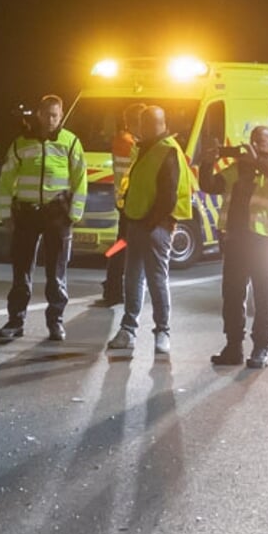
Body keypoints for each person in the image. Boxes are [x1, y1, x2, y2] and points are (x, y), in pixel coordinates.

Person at [200, 125, 268, 369]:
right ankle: (233, 347)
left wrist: (258, 162)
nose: (255, 144)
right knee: (232, 295)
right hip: (237, 241)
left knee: (265, 296)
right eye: (253, 140)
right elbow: (210, 186)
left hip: (266, 242)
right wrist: (208, 162)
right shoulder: (237, 170)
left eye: (261, 141)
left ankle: (261, 348)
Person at [0, 94, 88, 342]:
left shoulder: (70, 142)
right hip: (26, 213)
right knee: (21, 270)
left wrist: (74, 213)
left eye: (55, 115)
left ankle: (55, 322)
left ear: (61, 116)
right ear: (39, 114)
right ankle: (15, 321)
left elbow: (80, 180)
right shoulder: (21, 142)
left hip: (57, 214)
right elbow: (5, 181)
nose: (50, 120)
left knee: (56, 272)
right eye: (46, 115)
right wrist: (5, 214)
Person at [106, 105, 193, 356]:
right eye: (140, 123)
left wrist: (151, 222)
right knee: (133, 277)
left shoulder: (166, 150)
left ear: (159, 123)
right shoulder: (145, 147)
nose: (141, 128)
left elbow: (169, 194)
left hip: (156, 225)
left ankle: (161, 331)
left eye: (146, 123)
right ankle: (129, 329)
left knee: (155, 279)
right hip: (137, 221)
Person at [97, 103, 145, 306]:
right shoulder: (128, 142)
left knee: (122, 244)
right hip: (129, 202)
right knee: (124, 245)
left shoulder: (126, 140)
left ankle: (113, 285)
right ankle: (114, 286)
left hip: (126, 200)